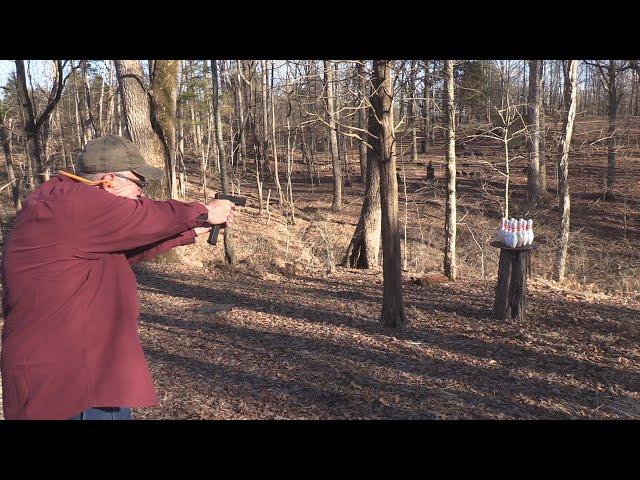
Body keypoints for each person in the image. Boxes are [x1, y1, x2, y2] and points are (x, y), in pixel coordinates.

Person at [0, 134, 235, 420]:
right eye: (139, 184)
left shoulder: (58, 203)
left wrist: (189, 230)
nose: (142, 194)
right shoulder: (76, 203)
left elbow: (117, 254)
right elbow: (149, 215)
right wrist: (204, 212)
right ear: (109, 180)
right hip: (77, 387)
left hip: (60, 380)